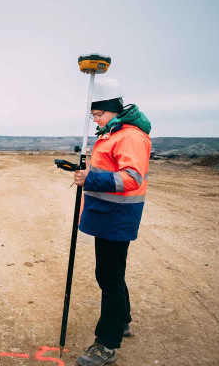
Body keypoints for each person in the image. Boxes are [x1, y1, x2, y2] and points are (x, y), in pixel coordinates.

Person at [73, 77, 151, 366]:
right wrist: (85, 171)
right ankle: (123, 321)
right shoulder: (111, 133)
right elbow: (107, 167)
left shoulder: (129, 136)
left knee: (109, 278)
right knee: (112, 274)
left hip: (117, 217)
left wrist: (90, 177)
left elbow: (132, 178)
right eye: (92, 115)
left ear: (112, 109)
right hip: (106, 215)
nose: (94, 120)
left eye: (97, 114)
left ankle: (107, 344)